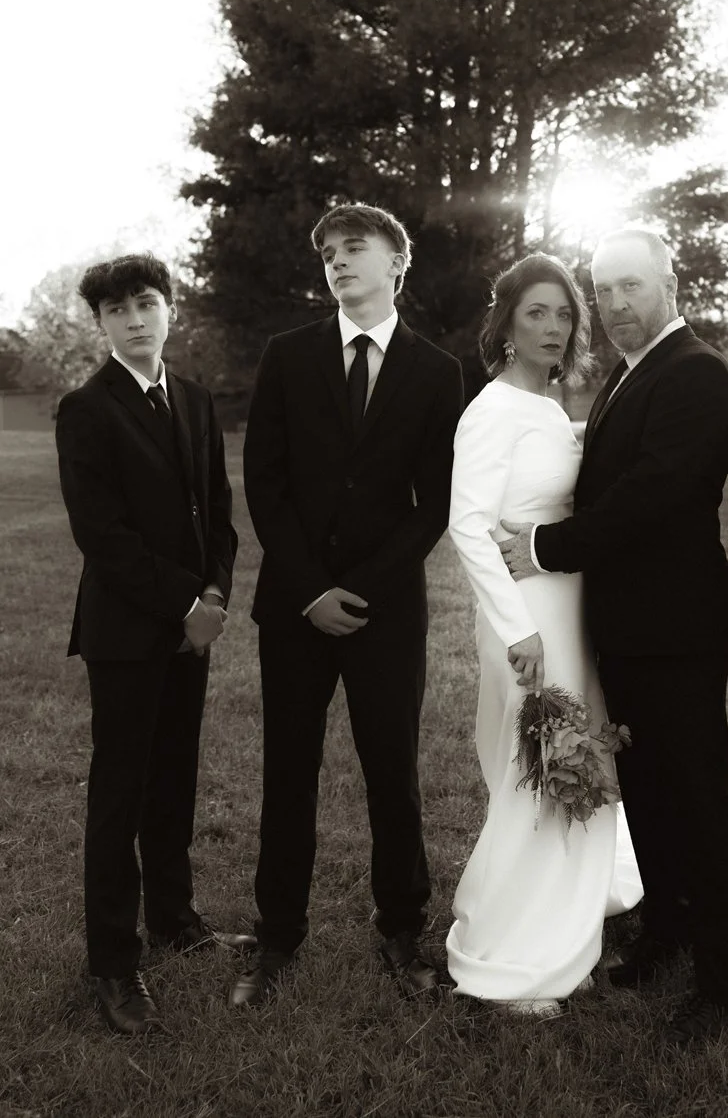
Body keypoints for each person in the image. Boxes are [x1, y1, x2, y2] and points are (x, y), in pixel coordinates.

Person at [500, 228, 728, 1043]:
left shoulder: (698, 374)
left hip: (677, 624)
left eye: (630, 286)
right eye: (602, 290)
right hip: (629, 624)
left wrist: (544, 548)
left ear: (669, 283)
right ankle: (668, 932)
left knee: (697, 794)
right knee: (647, 787)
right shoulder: (626, 373)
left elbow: (652, 495)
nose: (612, 304)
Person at [230, 204, 464, 1007]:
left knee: (391, 773)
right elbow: (265, 483)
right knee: (287, 773)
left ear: (399, 261)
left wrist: (360, 588)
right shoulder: (288, 355)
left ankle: (403, 928)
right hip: (294, 606)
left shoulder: (437, 371)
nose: (337, 261)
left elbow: (432, 504)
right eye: (328, 252)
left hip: (386, 610)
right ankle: (277, 936)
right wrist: (309, 590)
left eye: (354, 248)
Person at [446, 254, 642, 1017]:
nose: (553, 327)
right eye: (537, 312)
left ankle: (566, 922)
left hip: (569, 608)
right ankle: (517, 949)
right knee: (541, 772)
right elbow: (465, 525)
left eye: (563, 314)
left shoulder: (550, 405)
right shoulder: (491, 408)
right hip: (526, 621)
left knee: (577, 765)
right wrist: (516, 627)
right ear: (506, 323)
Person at [56, 253, 245, 1037]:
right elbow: (102, 535)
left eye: (147, 304)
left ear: (171, 309)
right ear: (100, 324)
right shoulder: (86, 408)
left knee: (174, 780)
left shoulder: (195, 401)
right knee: (121, 792)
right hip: (128, 633)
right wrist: (181, 602)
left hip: (191, 627)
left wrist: (214, 595)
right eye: (117, 310)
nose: (135, 320)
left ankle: (174, 919)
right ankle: (113, 962)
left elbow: (219, 512)